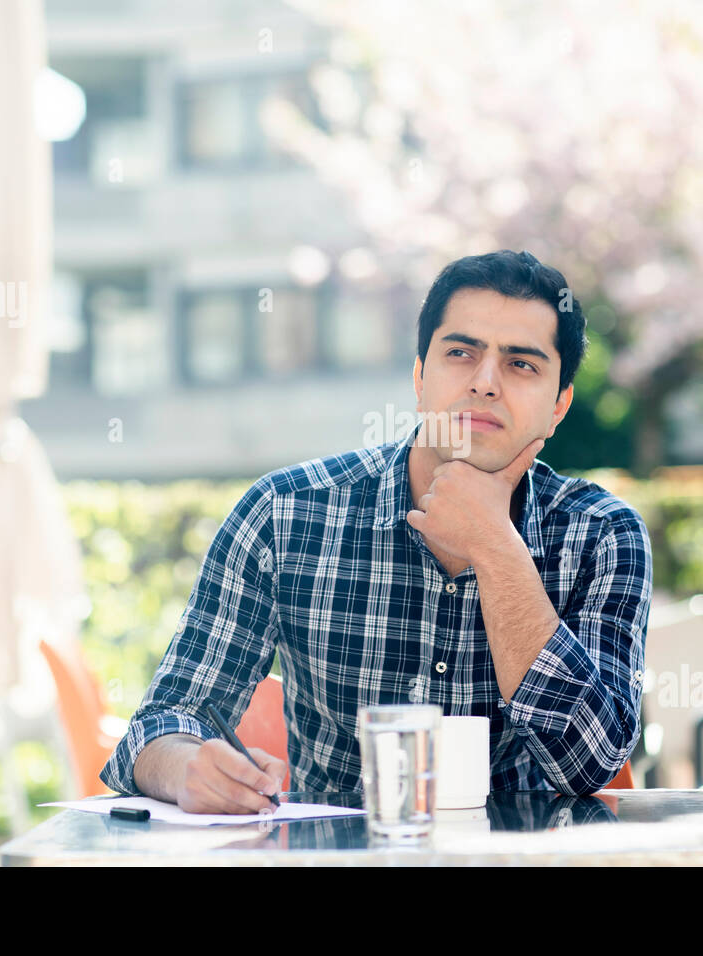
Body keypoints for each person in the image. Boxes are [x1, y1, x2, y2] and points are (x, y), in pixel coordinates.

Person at [100, 249, 653, 813]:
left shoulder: (602, 535)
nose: (485, 382)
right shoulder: (284, 514)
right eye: (461, 353)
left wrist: (495, 546)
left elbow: (591, 761)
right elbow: (158, 727)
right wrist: (187, 766)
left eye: (521, 364)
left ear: (559, 406)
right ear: (419, 378)